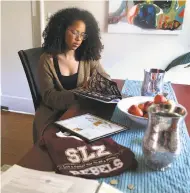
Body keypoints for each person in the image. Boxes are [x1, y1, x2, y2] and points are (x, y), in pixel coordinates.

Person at [33, 8, 110, 143]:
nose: (78, 39)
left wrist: (97, 84)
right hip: (53, 116)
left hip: (80, 113)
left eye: (83, 34)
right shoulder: (47, 60)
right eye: (74, 32)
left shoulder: (87, 55)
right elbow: (49, 97)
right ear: (61, 30)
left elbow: (105, 77)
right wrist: (80, 93)